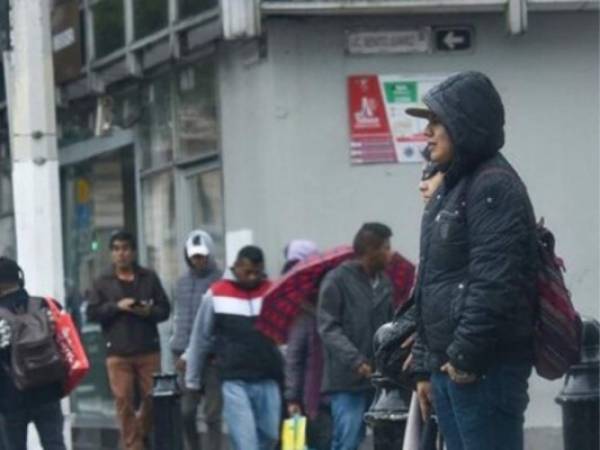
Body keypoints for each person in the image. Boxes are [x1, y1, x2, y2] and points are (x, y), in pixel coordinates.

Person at [406, 71, 537, 450]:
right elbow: (432, 280)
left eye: (436, 122)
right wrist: (425, 366)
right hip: (452, 367)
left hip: (481, 369)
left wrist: (464, 358)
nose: (427, 132)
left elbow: (494, 281)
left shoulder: (493, 186)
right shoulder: (452, 187)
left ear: (464, 125)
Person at [185, 246, 283, 450]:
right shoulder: (217, 293)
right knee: (247, 443)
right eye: (247, 271)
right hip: (234, 380)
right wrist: (192, 380)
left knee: (272, 436)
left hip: (268, 377)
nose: (253, 277)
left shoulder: (272, 291)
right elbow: (200, 338)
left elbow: (283, 333)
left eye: (258, 271)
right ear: (236, 267)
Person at [87, 231, 171, 450]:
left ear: (133, 252)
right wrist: (117, 306)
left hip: (147, 348)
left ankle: (139, 435)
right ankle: (134, 445)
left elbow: (165, 310)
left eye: (125, 249)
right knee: (123, 400)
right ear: (111, 253)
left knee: (152, 397)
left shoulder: (148, 277)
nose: (121, 254)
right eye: (116, 249)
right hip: (117, 351)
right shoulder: (102, 281)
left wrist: (148, 310)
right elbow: (92, 312)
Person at [317, 223, 395, 450]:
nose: (391, 253)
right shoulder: (336, 280)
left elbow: (390, 327)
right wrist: (356, 360)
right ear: (371, 250)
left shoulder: (386, 283)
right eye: (386, 247)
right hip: (346, 380)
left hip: (379, 379)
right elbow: (328, 328)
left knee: (385, 440)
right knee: (348, 439)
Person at [0, 257, 66, 450]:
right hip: (48, 390)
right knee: (54, 444)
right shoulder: (48, 305)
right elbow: (67, 344)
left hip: (10, 395)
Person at [170, 230, 223, 450]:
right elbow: (178, 316)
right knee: (186, 412)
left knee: (212, 414)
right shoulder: (180, 283)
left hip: (211, 356)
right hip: (183, 355)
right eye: (194, 256)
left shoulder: (220, 282)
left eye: (202, 255)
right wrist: (175, 345)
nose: (198, 260)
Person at [282, 240, 332, 450]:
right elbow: (294, 359)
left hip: (334, 393)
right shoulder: (304, 316)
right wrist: (293, 397)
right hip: (313, 399)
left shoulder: (329, 306)